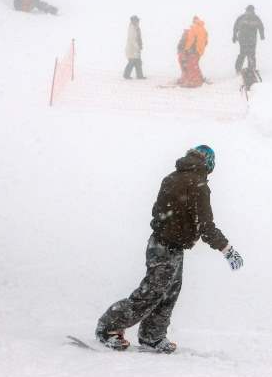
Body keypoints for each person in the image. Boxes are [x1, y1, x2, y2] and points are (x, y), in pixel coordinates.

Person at [95, 145, 243, 353]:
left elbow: (158, 211)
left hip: (162, 244)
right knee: (151, 294)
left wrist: (174, 229)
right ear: (208, 163)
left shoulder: (171, 178)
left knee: (167, 293)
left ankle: (152, 337)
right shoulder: (198, 185)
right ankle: (108, 328)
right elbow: (206, 227)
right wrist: (227, 250)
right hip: (166, 247)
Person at [232, 5, 265, 74]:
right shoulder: (242, 17)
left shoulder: (256, 18)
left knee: (251, 54)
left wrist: (262, 35)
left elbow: (261, 27)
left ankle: (251, 69)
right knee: (243, 53)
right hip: (244, 39)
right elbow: (235, 27)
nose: (250, 12)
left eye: (251, 11)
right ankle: (238, 69)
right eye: (249, 10)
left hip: (251, 39)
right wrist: (234, 36)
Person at [177, 16, 208, 87]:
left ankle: (193, 80)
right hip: (200, 51)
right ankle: (197, 78)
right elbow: (206, 42)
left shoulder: (194, 28)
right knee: (194, 65)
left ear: (194, 21)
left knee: (191, 65)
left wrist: (187, 49)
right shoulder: (204, 29)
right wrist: (201, 48)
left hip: (194, 50)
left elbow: (190, 40)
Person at [123, 15, 145, 80]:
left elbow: (139, 38)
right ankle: (126, 75)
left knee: (138, 62)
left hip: (135, 49)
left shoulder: (136, 28)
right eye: (137, 20)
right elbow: (132, 39)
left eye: (138, 20)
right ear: (133, 21)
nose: (138, 21)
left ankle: (140, 75)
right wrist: (137, 47)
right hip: (132, 49)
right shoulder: (132, 28)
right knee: (132, 62)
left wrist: (140, 45)